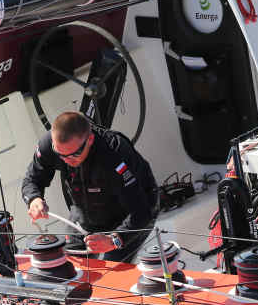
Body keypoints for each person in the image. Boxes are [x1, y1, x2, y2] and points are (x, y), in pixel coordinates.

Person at [21, 111, 159, 262]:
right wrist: (34, 199)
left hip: (128, 216)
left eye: (75, 154)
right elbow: (32, 179)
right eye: (60, 154)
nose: (67, 160)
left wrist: (114, 240)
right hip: (84, 215)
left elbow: (142, 211)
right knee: (69, 267)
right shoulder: (48, 145)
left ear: (90, 139)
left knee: (112, 271)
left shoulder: (115, 153)